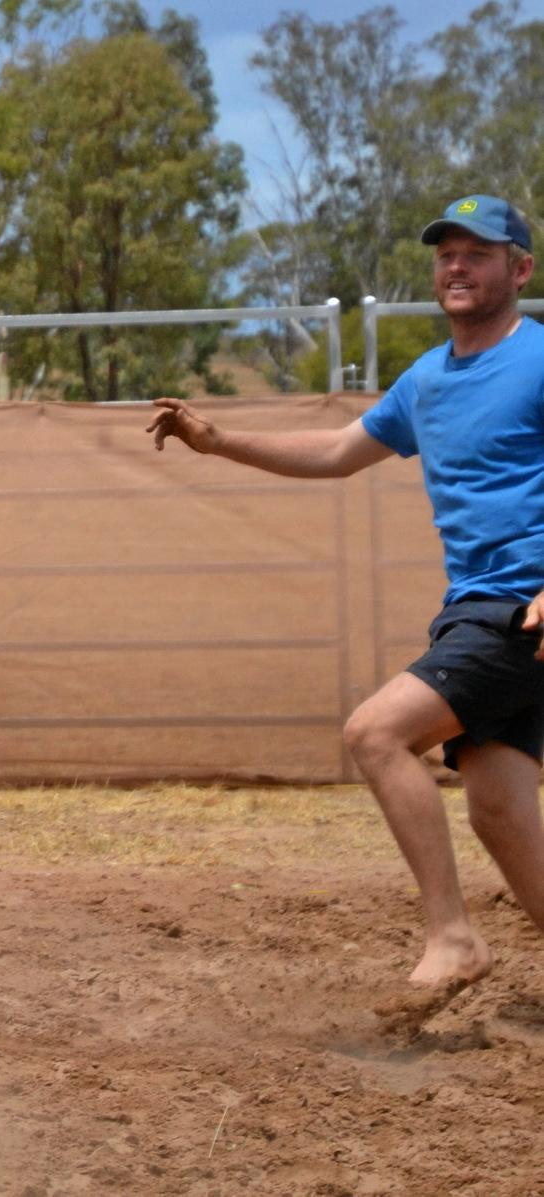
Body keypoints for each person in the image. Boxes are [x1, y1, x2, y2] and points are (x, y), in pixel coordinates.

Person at [149, 193, 544, 1010]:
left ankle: (453, 937)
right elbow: (335, 448)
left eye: (478, 251)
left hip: (514, 608)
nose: (457, 266)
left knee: (376, 732)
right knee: (499, 812)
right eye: (446, 253)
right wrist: (219, 443)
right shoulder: (427, 380)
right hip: (483, 610)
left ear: (520, 268)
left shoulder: (540, 357)